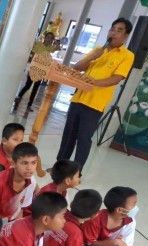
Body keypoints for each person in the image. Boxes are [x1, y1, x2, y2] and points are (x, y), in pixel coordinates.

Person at [57, 18, 134, 168]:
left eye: (119, 30)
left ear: (126, 36)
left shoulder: (127, 55)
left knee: (84, 139)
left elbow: (117, 78)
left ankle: (76, 172)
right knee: (68, 135)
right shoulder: (98, 49)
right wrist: (93, 56)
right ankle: (60, 166)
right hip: (78, 99)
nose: (114, 33)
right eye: (112, 29)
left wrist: (94, 83)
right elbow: (77, 67)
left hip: (95, 104)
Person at [0, 142, 38, 221]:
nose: (29, 168)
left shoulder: (32, 181)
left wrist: (16, 226)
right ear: (13, 163)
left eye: (33, 163)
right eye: (25, 163)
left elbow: (21, 209)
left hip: (12, 220)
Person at [12, 32, 58, 113]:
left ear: (52, 40)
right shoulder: (38, 45)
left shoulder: (50, 48)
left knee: (35, 88)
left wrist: (57, 45)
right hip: (33, 69)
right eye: (48, 37)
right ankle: (18, 97)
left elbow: (56, 49)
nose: (49, 39)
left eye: (51, 38)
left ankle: (29, 105)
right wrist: (31, 66)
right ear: (45, 38)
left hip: (41, 71)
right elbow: (32, 56)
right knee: (28, 85)